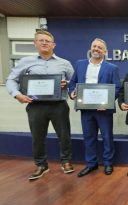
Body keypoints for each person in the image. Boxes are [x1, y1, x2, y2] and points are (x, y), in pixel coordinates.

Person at [6, 30, 74, 180]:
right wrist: (17, 94)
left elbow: (74, 82)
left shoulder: (65, 63)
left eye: (47, 41)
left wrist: (67, 83)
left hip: (59, 105)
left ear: (53, 45)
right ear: (35, 43)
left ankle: (66, 161)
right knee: (38, 136)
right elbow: (11, 80)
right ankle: (41, 165)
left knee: (64, 135)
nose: (44, 43)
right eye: (41, 40)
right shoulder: (25, 62)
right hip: (35, 105)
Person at [68, 38, 121, 177]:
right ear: (90, 48)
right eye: (94, 46)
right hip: (85, 109)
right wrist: (72, 92)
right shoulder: (80, 64)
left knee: (107, 137)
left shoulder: (112, 68)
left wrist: (107, 103)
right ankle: (91, 164)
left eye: (100, 48)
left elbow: (117, 88)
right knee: (88, 137)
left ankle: (108, 163)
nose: (96, 49)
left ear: (105, 52)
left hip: (103, 110)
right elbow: (72, 83)